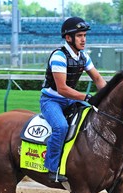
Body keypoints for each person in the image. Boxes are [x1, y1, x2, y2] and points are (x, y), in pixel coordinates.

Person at [40, 16, 107, 183]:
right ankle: (52, 168)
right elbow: (62, 88)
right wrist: (87, 97)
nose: (83, 40)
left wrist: (107, 97)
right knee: (61, 127)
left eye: (84, 35)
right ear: (68, 38)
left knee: (93, 118)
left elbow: (98, 79)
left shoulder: (83, 56)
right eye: (79, 36)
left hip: (69, 100)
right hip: (51, 101)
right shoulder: (59, 56)